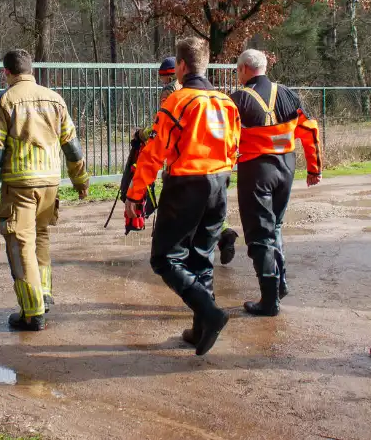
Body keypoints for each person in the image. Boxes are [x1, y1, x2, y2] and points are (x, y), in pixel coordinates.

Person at [126, 37, 241, 355]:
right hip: (219, 181)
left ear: (180, 66)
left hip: (187, 182)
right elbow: (234, 146)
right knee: (201, 256)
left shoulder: (178, 101)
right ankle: (201, 327)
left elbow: (153, 152)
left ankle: (210, 313)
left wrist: (135, 194)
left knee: (164, 259)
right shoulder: (225, 102)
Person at [0, 49, 90, 331]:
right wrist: (80, 181)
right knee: (40, 237)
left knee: (19, 244)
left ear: (6, 73)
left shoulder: (3, 101)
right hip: (50, 184)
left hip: (20, 186)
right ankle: (44, 293)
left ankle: (32, 311)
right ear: (31, 71)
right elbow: (72, 147)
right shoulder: (55, 99)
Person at [229, 49, 322, 316]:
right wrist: (314, 168)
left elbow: (226, 140)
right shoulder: (289, 94)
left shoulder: (237, 101)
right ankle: (279, 283)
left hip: (257, 170)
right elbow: (309, 129)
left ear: (245, 69)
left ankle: (269, 301)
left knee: (259, 234)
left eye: (238, 71)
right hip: (286, 168)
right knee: (275, 226)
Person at [137, 57, 240, 263]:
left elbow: (163, 125)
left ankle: (182, 257)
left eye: (162, 77)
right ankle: (223, 233)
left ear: (169, 73)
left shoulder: (172, 93)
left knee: (183, 219)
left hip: (183, 163)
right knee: (209, 209)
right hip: (213, 164)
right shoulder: (211, 95)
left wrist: (142, 134)